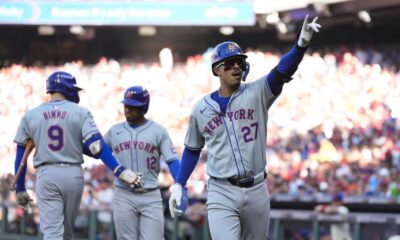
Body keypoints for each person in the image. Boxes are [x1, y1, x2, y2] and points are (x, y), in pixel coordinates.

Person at [169, 15, 322, 239]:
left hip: (257, 188)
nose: (235, 67)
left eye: (239, 62)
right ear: (216, 70)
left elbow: (281, 71)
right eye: (229, 63)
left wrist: (300, 46)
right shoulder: (200, 109)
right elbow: (193, 149)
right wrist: (179, 184)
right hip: (222, 190)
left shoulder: (257, 92)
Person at [13, 71, 142, 240]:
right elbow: (96, 147)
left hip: (47, 174)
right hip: (73, 174)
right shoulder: (80, 112)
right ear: (66, 88)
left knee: (52, 233)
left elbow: (20, 157)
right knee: (66, 235)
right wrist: (119, 170)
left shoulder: (30, 115)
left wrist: (21, 188)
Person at [104, 86, 185, 240]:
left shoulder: (158, 130)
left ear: (144, 107)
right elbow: (97, 150)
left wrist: (181, 185)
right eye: (126, 105)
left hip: (150, 194)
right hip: (123, 194)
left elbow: (173, 161)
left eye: (132, 106)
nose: (127, 110)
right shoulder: (114, 131)